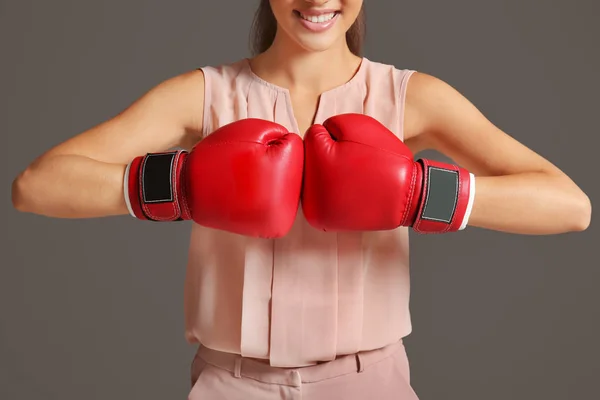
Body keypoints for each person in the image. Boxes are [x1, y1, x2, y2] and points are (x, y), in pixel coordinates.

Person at [11, 0, 592, 399]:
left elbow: (571, 205)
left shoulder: (409, 97)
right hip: (230, 384)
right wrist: (183, 185)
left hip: (370, 383)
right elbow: (36, 185)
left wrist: (421, 194)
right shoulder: (206, 95)